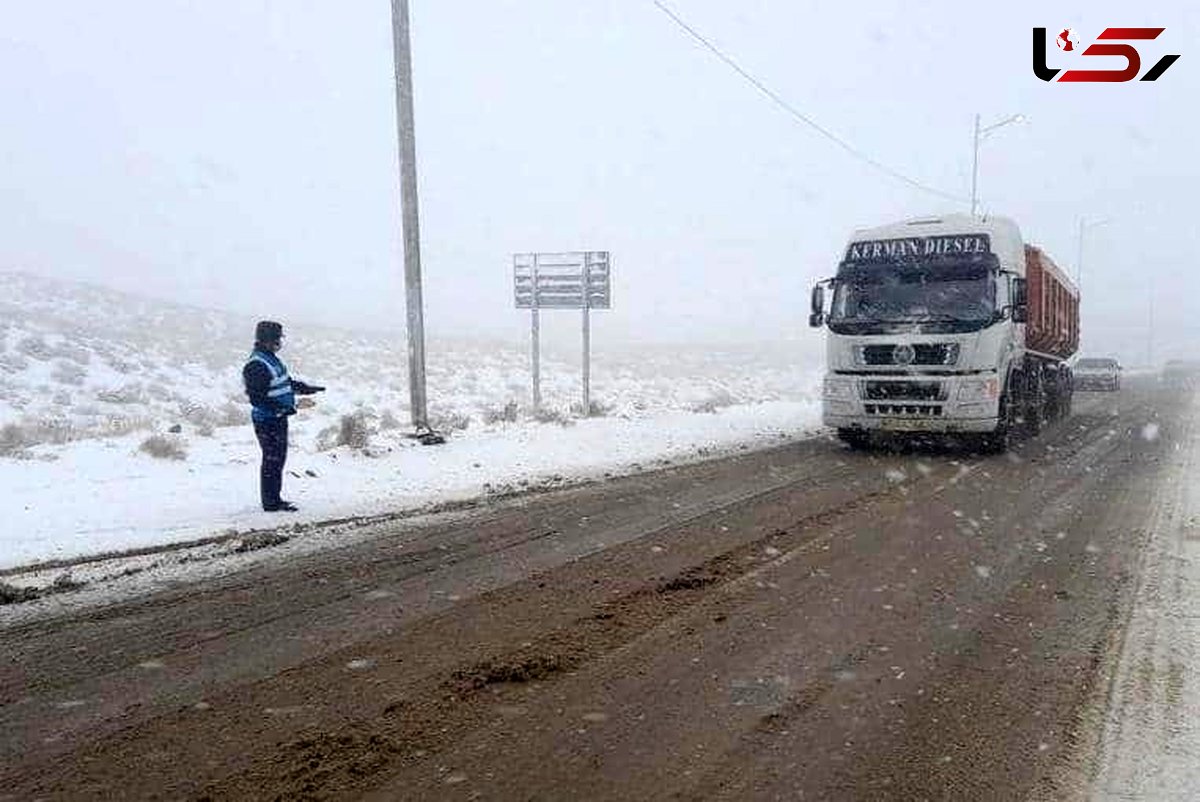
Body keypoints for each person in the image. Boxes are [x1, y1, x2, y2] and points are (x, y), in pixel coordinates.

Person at [242, 321, 325, 512]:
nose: (280, 342)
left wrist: (305, 388)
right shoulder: (257, 365)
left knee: (278, 459)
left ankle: (274, 499)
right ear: (268, 340)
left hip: (277, 419)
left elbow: (283, 382)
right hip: (267, 421)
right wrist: (280, 409)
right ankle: (271, 503)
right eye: (277, 339)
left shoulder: (270, 359)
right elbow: (257, 398)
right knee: (272, 459)